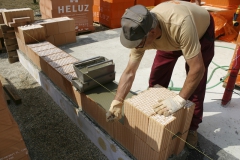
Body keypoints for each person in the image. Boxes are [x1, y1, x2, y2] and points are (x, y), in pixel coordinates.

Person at [106, 1, 215, 149]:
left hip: (199, 31)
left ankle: (191, 128)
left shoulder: (180, 25)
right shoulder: (142, 31)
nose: (136, 47)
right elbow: (130, 71)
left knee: (195, 84)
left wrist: (179, 100)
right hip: (171, 35)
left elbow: (198, 69)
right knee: (157, 78)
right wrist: (118, 101)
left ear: (152, 32)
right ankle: (155, 117)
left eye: (138, 44)